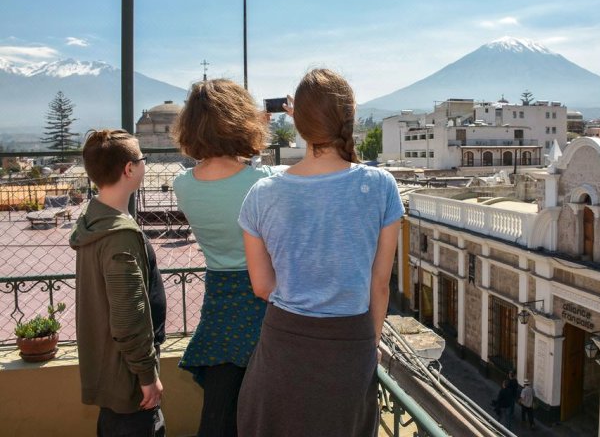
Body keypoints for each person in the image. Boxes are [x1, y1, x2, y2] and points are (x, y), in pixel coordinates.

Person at [236, 68, 404, 436]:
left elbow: (262, 286)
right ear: (350, 116)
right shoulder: (380, 185)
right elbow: (379, 284)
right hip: (351, 346)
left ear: (295, 119)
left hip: (283, 349)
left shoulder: (262, 194)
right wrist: (368, 345)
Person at [172, 79, 274, 437]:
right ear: (243, 121)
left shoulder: (182, 185)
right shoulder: (263, 181)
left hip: (219, 303)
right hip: (265, 298)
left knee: (219, 408)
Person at [70, 129, 167, 436]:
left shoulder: (94, 220)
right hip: (128, 382)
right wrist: (147, 374)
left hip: (109, 374)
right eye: (142, 160)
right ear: (129, 169)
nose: (143, 165)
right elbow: (128, 317)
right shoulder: (120, 237)